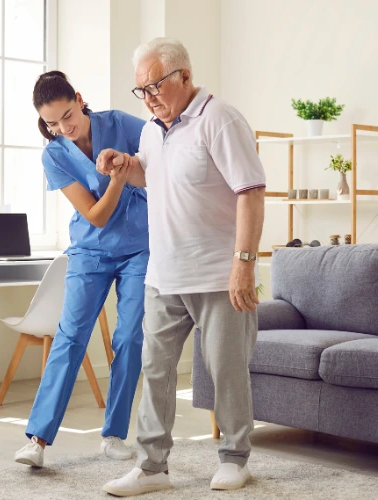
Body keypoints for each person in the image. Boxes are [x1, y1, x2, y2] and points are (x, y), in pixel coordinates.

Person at [97, 38, 266, 495]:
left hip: (217, 274)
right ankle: (152, 467)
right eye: (141, 90)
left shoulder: (220, 119)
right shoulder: (152, 130)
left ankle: (235, 458)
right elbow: (154, 176)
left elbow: (250, 192)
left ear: (184, 77)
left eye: (155, 86)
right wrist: (125, 165)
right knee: (155, 369)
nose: (148, 97)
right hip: (164, 274)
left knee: (226, 369)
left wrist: (244, 265)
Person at [14, 71, 149, 468]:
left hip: (140, 248)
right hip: (90, 251)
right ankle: (37, 440)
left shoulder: (122, 124)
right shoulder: (54, 154)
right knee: (70, 337)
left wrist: (131, 167)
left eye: (68, 115)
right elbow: (95, 215)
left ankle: (113, 435)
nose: (64, 128)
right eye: (53, 123)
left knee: (128, 338)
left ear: (79, 98)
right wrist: (119, 181)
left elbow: (165, 148)